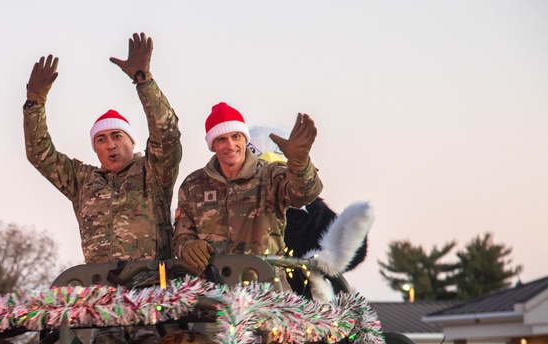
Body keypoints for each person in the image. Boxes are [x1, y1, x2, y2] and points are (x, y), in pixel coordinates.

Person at [24, 32, 182, 264]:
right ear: (95, 148)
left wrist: (144, 81)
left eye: (117, 136)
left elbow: (167, 133)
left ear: (131, 142)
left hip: (151, 287)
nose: (110, 144)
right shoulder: (82, 181)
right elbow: (40, 154)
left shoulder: (153, 172)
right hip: (101, 290)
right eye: (101, 139)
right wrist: (34, 104)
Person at [173, 104, 323, 273]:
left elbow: (305, 194)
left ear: (245, 139)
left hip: (264, 287)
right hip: (211, 290)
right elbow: (181, 235)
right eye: (222, 139)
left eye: (235, 136)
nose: (230, 145)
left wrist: (300, 163)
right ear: (212, 145)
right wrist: (188, 246)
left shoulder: (270, 175)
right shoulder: (193, 185)